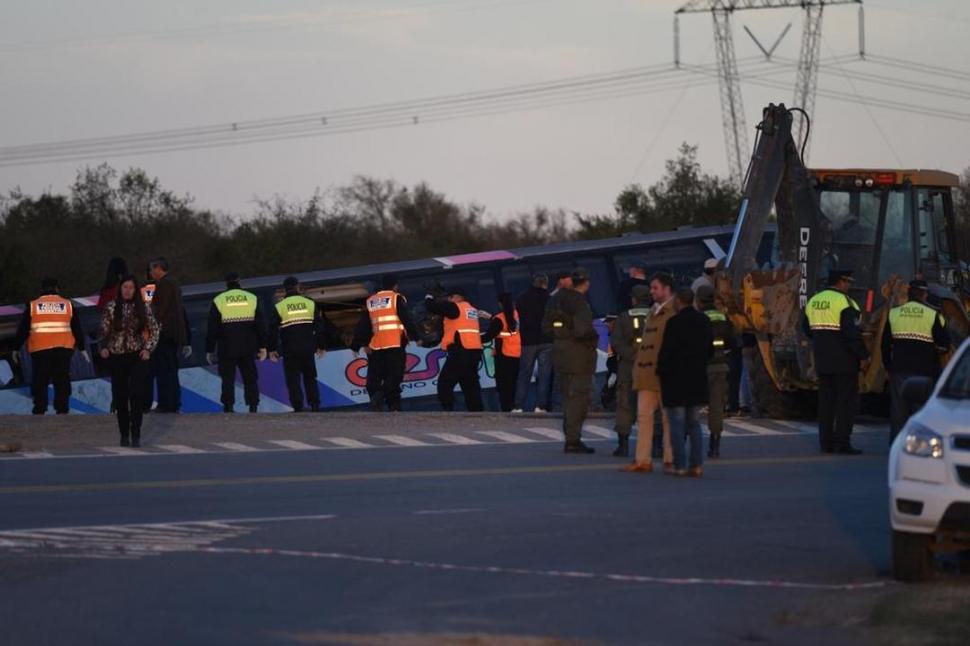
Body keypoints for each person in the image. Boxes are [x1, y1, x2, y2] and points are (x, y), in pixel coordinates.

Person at [802, 269, 870, 455]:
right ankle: (842, 442)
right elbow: (851, 334)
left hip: (822, 361)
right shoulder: (845, 303)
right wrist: (863, 355)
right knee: (845, 404)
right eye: (848, 282)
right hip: (844, 362)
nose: (850, 285)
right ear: (840, 282)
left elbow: (806, 329)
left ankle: (826, 444)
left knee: (826, 404)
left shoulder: (813, 301)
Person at [881, 279, 949, 440]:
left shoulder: (894, 313)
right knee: (921, 411)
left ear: (909, 293)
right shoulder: (933, 315)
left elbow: (884, 345)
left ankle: (896, 445)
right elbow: (945, 345)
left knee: (898, 411)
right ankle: (918, 447)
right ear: (924, 295)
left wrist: (888, 367)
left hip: (899, 370)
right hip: (923, 372)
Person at [98, 275, 160, 447]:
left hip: (136, 356)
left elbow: (155, 330)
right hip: (117, 357)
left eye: (131, 287)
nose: (127, 290)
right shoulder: (111, 307)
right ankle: (124, 434)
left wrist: (148, 349)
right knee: (120, 397)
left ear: (135, 289)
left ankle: (136, 433)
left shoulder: (143, 308)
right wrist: (103, 347)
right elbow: (103, 330)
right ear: (120, 289)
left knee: (136, 395)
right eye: (124, 287)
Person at [658, 287, 714, 476]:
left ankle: (679, 465)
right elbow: (710, 351)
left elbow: (667, 352)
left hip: (676, 380)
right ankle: (696, 464)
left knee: (677, 423)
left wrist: (661, 372)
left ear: (679, 301)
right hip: (697, 378)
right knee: (695, 424)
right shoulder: (704, 321)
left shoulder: (674, 323)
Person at [624, 272, 676, 473]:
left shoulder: (674, 311)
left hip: (665, 373)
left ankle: (670, 459)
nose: (652, 292)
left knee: (668, 418)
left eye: (655, 288)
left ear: (666, 289)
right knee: (644, 417)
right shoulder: (653, 311)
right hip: (646, 374)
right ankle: (642, 460)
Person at [542, 268, 598, 454]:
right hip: (579, 356)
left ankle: (570, 437)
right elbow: (583, 331)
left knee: (567, 398)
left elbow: (547, 328)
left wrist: (562, 334)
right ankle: (573, 440)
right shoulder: (579, 303)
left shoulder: (555, 300)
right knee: (579, 399)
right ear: (586, 283)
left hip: (560, 354)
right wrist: (593, 336)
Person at [12, 277, 87, 415]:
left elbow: (22, 330)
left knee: (40, 380)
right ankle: (62, 409)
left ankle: (40, 409)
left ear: (42, 289)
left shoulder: (33, 305)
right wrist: (82, 348)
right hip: (63, 349)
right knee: (62, 380)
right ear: (57, 288)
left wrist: (16, 348)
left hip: (40, 350)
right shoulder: (67, 305)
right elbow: (77, 328)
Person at [351, 274, 418, 412]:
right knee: (395, 376)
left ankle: (379, 404)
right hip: (394, 344)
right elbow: (406, 319)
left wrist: (357, 344)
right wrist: (416, 336)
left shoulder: (371, 301)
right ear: (395, 286)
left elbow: (364, 324)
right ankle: (385, 400)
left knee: (375, 378)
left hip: (376, 346)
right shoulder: (396, 298)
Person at [268, 277, 333, 413]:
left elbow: (272, 329)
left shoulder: (280, 306)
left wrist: (272, 349)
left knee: (293, 380)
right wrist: (321, 345)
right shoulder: (309, 303)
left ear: (284, 289)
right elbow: (319, 326)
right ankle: (315, 404)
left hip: (289, 349)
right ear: (297, 287)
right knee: (310, 377)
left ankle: (298, 407)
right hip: (308, 347)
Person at [206, 273, 267, 413]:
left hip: (226, 347)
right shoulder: (252, 298)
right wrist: (263, 346)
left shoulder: (219, 300)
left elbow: (212, 328)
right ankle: (253, 405)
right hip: (248, 346)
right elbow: (260, 325)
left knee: (227, 379)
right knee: (250, 378)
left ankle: (228, 406)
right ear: (240, 282)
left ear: (226, 283)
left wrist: (209, 349)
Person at [609, 284, 652, 457]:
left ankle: (623, 444)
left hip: (628, 365)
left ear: (633, 299)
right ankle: (655, 445)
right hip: (650, 365)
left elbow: (616, 342)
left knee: (624, 403)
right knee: (652, 403)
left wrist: (631, 355)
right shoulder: (656, 315)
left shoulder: (624, 317)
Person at [425, 286, 484, 411]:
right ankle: (477, 411)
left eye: (449, 297)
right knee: (470, 384)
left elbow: (433, 307)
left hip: (460, 351)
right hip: (474, 352)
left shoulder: (455, 307)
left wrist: (429, 297)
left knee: (444, 383)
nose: (448, 300)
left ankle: (448, 410)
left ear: (456, 297)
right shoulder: (471, 309)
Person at [696, 285, 735, 458]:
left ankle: (687, 441)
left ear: (698, 300)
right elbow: (733, 341)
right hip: (720, 365)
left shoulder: (698, 318)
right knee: (716, 405)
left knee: (691, 405)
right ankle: (715, 444)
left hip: (700, 366)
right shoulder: (723, 317)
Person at [148, 258, 187, 413]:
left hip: (164, 334)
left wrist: (151, 322)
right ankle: (173, 402)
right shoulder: (174, 283)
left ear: (159, 268)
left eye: (152, 269)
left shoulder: (164, 284)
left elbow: (160, 309)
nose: (151, 273)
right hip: (174, 333)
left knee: (164, 370)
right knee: (171, 369)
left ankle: (166, 403)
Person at [512, 274, 553, 413]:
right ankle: (540, 406)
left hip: (528, 341)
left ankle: (518, 406)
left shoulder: (521, 299)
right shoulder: (549, 299)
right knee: (544, 374)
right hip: (546, 341)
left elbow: (519, 318)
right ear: (545, 284)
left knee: (524, 374)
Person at [484, 293, 521, 412]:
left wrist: (473, 338)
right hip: (519, 353)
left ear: (500, 304)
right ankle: (517, 406)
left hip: (504, 355)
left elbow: (488, 336)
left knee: (504, 385)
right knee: (516, 382)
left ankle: (507, 409)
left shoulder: (499, 319)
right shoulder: (519, 315)